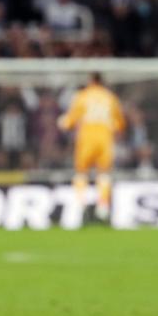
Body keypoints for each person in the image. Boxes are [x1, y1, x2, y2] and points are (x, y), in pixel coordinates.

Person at [57, 72, 125, 220]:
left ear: (91, 81)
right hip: (105, 140)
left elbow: (70, 120)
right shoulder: (110, 97)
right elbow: (120, 124)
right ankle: (103, 206)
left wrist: (63, 122)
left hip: (87, 139)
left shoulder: (83, 96)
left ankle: (81, 204)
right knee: (104, 174)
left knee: (81, 173)